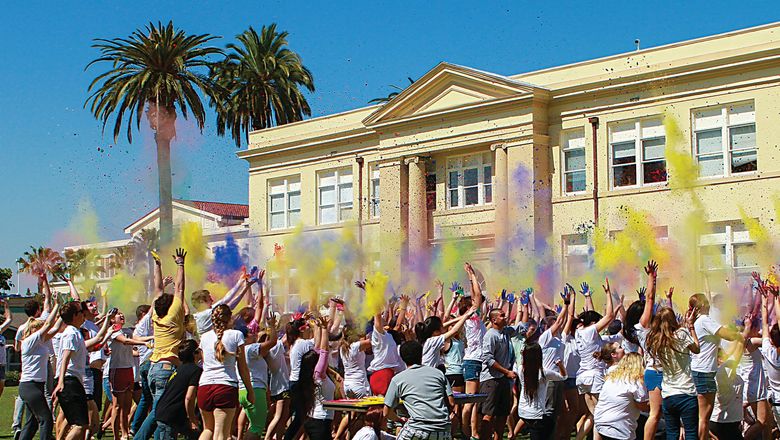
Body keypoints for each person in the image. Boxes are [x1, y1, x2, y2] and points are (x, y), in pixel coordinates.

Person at [135, 248, 188, 440]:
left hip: (154, 368)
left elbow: (158, 289)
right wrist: (180, 264)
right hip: (166, 369)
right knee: (161, 414)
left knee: (161, 411)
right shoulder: (174, 316)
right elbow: (180, 288)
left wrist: (158, 265)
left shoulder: (157, 315)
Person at [53, 300, 116, 440]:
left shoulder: (76, 333)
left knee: (80, 424)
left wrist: (107, 320)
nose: (84, 315)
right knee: (80, 425)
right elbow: (65, 357)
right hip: (69, 381)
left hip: (74, 381)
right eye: (81, 312)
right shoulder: (70, 333)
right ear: (75, 315)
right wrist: (61, 381)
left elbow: (98, 339)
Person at [688, 293, 743, 440]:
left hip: (699, 370)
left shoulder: (696, 321)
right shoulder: (705, 320)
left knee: (702, 415)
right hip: (704, 371)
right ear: (704, 305)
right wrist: (739, 331)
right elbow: (728, 335)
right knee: (704, 416)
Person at [198, 304, 254, 440]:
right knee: (221, 433)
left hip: (204, 386)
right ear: (230, 318)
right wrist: (250, 391)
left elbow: (205, 363)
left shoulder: (204, 337)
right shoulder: (236, 335)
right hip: (225, 386)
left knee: (208, 429)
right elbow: (242, 368)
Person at [646, 306, 700, 440]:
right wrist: (691, 327)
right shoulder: (681, 334)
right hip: (686, 392)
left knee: (672, 434)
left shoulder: (656, 340)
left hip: (668, 394)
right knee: (691, 433)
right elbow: (697, 349)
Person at [385, 340, 455, 440]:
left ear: (401, 357)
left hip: (417, 429)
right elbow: (451, 403)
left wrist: (400, 420)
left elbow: (386, 412)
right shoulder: (439, 374)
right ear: (421, 355)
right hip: (444, 431)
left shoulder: (398, 379)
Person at [574, 280, 615, 440]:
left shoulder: (579, 332)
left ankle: (578, 438)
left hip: (582, 377)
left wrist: (587, 297)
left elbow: (589, 315)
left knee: (594, 414)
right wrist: (607, 293)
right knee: (601, 415)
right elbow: (610, 316)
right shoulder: (591, 331)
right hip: (594, 376)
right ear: (593, 324)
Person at [106, 310, 153, 440]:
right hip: (117, 370)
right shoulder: (113, 331)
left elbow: (135, 338)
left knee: (126, 405)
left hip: (128, 370)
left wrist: (152, 338)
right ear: (111, 319)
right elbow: (126, 341)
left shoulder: (127, 330)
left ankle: (125, 434)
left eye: (122, 313)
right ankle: (116, 436)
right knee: (117, 405)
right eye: (118, 314)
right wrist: (144, 344)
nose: (122, 315)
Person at [18, 303, 60, 440]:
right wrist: (57, 305)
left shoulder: (40, 342)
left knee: (32, 424)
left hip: (36, 386)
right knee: (46, 419)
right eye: (40, 328)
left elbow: (55, 328)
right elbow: (48, 324)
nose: (44, 330)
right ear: (34, 329)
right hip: (30, 386)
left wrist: (65, 312)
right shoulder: (29, 341)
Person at [478, 307, 518, 440]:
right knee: (489, 414)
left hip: (503, 379)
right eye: (502, 316)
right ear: (494, 320)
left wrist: (522, 307)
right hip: (491, 379)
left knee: (502, 414)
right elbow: (488, 359)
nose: (505, 317)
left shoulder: (505, 332)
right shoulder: (491, 335)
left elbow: (522, 326)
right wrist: (507, 372)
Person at [516, 342, 567, 440]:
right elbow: (564, 377)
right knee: (550, 426)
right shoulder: (544, 373)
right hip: (537, 414)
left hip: (523, 412)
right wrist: (560, 365)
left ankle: (513, 434)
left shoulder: (520, 369)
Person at [154, 340, 202, 440]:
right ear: (194, 354)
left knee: (196, 434)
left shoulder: (179, 369)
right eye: (199, 350)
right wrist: (192, 419)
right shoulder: (195, 370)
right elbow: (189, 397)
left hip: (166, 412)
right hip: (170, 416)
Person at [593, 353, 648, 440]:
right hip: (619, 428)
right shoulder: (635, 382)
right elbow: (643, 406)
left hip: (600, 422)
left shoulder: (611, 378)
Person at [299, 316, 336, 440]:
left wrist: (318, 328)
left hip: (316, 420)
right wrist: (324, 329)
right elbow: (324, 351)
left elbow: (318, 350)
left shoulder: (310, 373)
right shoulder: (318, 375)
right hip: (321, 422)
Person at [461, 263, 485, 440]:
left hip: (474, 360)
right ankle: (466, 432)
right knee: (470, 400)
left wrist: (470, 278)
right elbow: (477, 296)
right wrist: (474, 275)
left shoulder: (472, 319)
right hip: (472, 361)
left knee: (474, 400)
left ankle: (472, 432)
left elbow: (475, 297)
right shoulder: (471, 318)